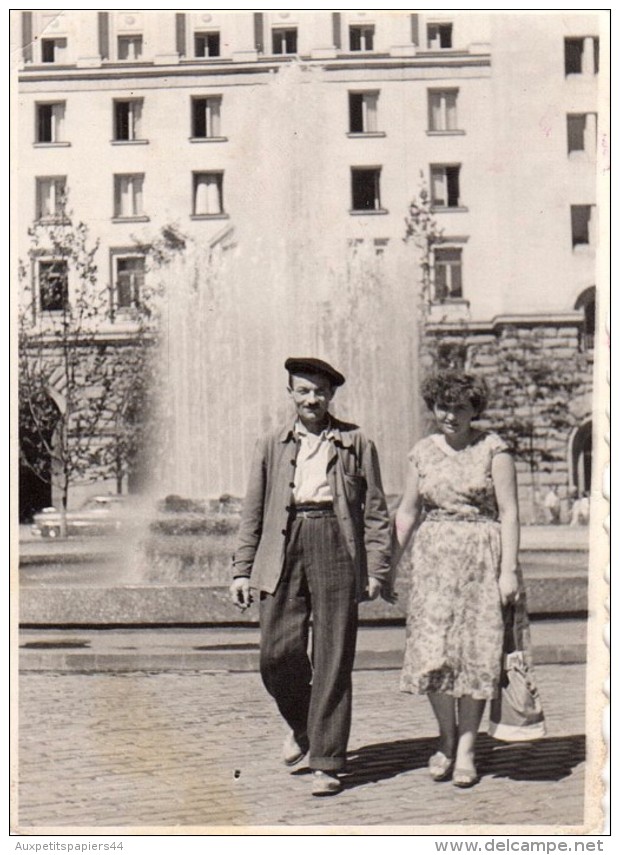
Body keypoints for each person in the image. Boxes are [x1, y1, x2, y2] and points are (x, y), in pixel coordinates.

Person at [230, 357, 392, 796]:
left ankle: (327, 759)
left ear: (331, 396)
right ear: (290, 394)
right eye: (302, 390)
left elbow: (376, 511)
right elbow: (253, 511)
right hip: (282, 543)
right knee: (276, 655)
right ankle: (305, 728)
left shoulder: (356, 442)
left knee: (333, 656)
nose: (311, 399)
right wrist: (241, 570)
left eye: (319, 391)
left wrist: (377, 568)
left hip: (336, 542)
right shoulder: (271, 443)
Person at [392, 370, 521, 788]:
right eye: (443, 406)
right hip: (432, 564)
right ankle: (445, 736)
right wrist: (390, 565)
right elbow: (408, 511)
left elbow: (511, 513)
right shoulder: (421, 453)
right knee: (433, 653)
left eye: (460, 407)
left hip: (482, 559)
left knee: (476, 654)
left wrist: (508, 571)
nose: (450, 415)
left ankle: (466, 747)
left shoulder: (494, 450)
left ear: (474, 410)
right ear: (433, 407)